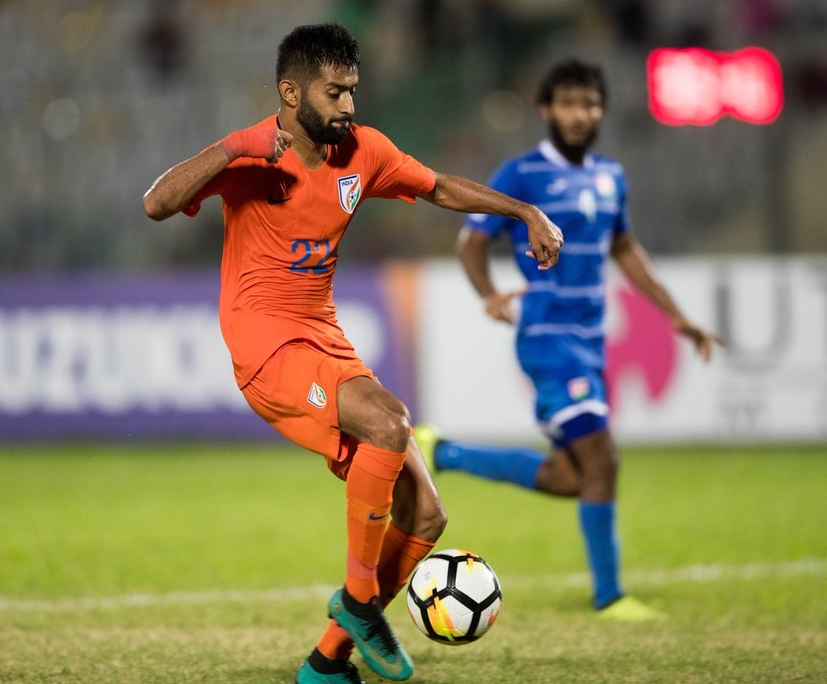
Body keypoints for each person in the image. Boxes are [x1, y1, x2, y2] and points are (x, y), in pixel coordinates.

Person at [142, 23, 563, 684]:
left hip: (324, 338)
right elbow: (156, 203)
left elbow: (438, 187)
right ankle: (360, 600)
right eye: (334, 92)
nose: (348, 105)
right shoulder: (252, 156)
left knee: (426, 513)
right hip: (266, 348)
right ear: (291, 93)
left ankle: (326, 663)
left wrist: (524, 212)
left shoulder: (363, 151)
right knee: (389, 422)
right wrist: (233, 147)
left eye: (351, 91)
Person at [414, 59, 722, 621]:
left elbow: (625, 250)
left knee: (571, 477)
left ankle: (444, 452)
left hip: (591, 340)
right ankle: (610, 596)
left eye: (590, 104)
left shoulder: (611, 177)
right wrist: (488, 293)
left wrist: (676, 316)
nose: (580, 114)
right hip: (548, 338)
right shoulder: (521, 174)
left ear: (602, 111)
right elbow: (471, 241)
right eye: (569, 103)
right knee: (603, 458)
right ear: (547, 110)